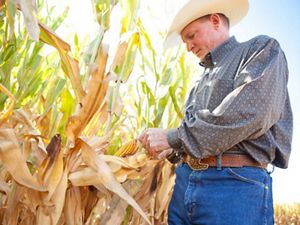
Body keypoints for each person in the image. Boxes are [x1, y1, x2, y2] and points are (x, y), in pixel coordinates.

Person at [138, 0, 293, 224]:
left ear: (215, 21)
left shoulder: (260, 49)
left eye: (191, 36)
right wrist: (171, 148)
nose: (188, 47)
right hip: (185, 184)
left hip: (234, 185)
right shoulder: (197, 84)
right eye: (185, 41)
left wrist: (172, 137)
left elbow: (250, 112)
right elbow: (195, 136)